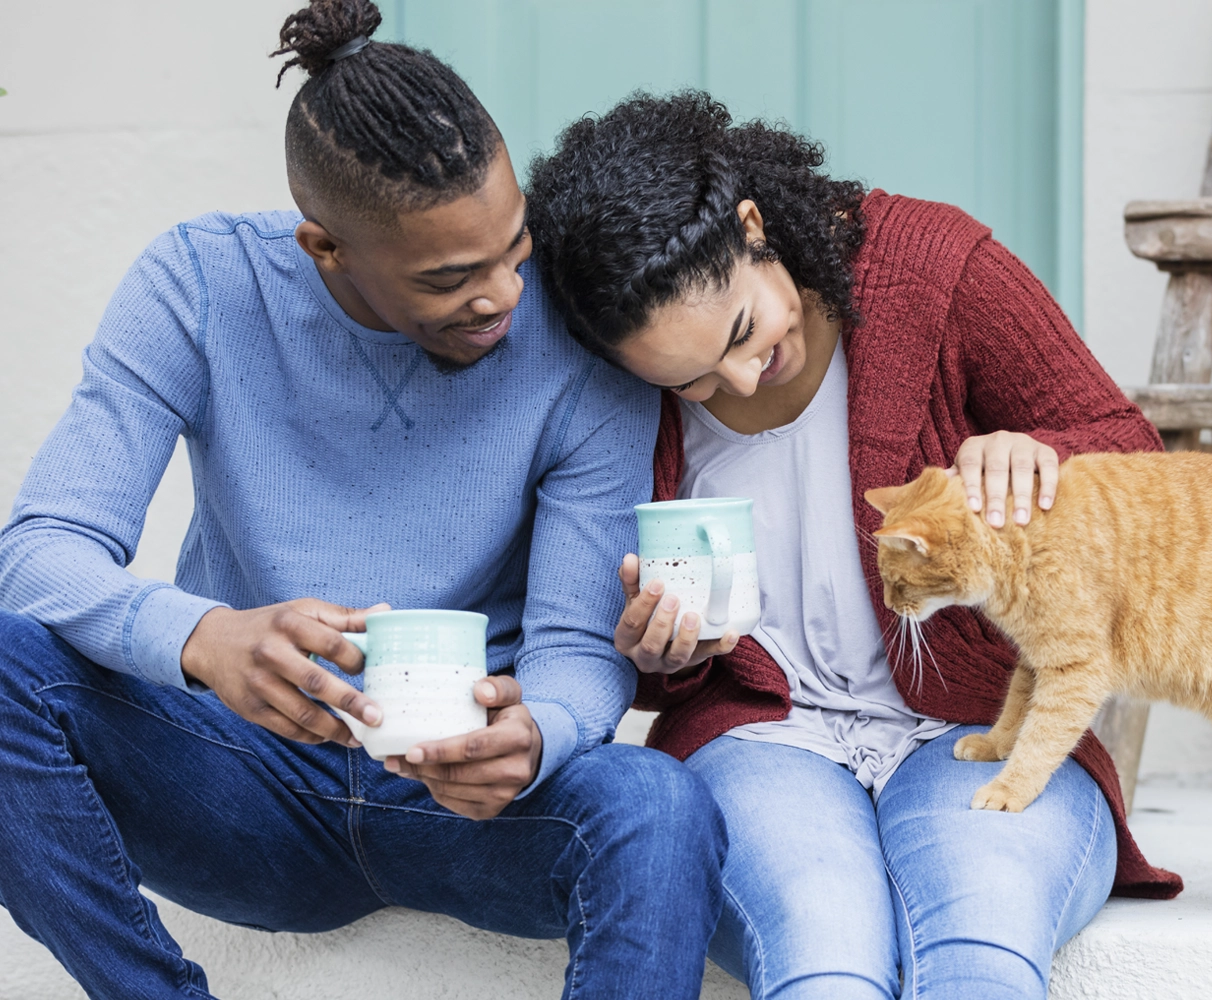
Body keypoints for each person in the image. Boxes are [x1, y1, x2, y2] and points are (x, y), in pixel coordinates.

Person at [0, 6, 724, 1000]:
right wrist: (204, 638)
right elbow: (41, 550)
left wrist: (538, 733)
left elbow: (571, 645)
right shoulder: (201, 284)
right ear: (324, 248)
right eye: (448, 277)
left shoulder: (575, 332)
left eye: (511, 247)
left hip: (470, 801)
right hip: (238, 776)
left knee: (657, 804)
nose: (503, 296)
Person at [527, 91, 1183, 1000]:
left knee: (977, 951)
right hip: (764, 741)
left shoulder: (937, 272)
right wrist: (658, 655)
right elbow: (632, 656)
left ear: (753, 228)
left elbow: (1141, 472)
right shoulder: (622, 395)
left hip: (981, 725)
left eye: (744, 333)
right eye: (691, 383)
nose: (738, 378)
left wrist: (1042, 458)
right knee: (822, 958)